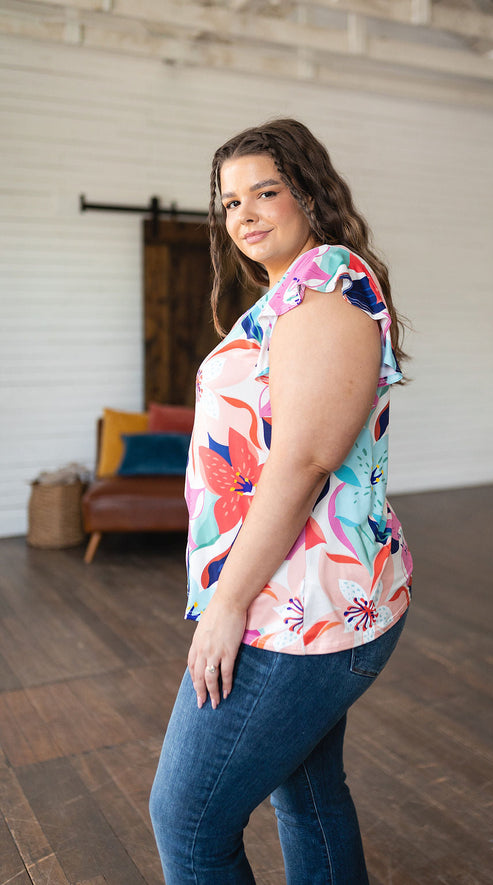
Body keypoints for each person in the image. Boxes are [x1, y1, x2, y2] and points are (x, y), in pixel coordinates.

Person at [149, 118, 413, 885]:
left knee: (189, 820)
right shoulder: (288, 296)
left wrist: (227, 601)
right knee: (305, 787)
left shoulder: (323, 288)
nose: (246, 213)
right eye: (231, 202)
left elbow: (301, 461)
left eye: (266, 190)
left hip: (296, 606)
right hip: (295, 593)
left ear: (309, 193)